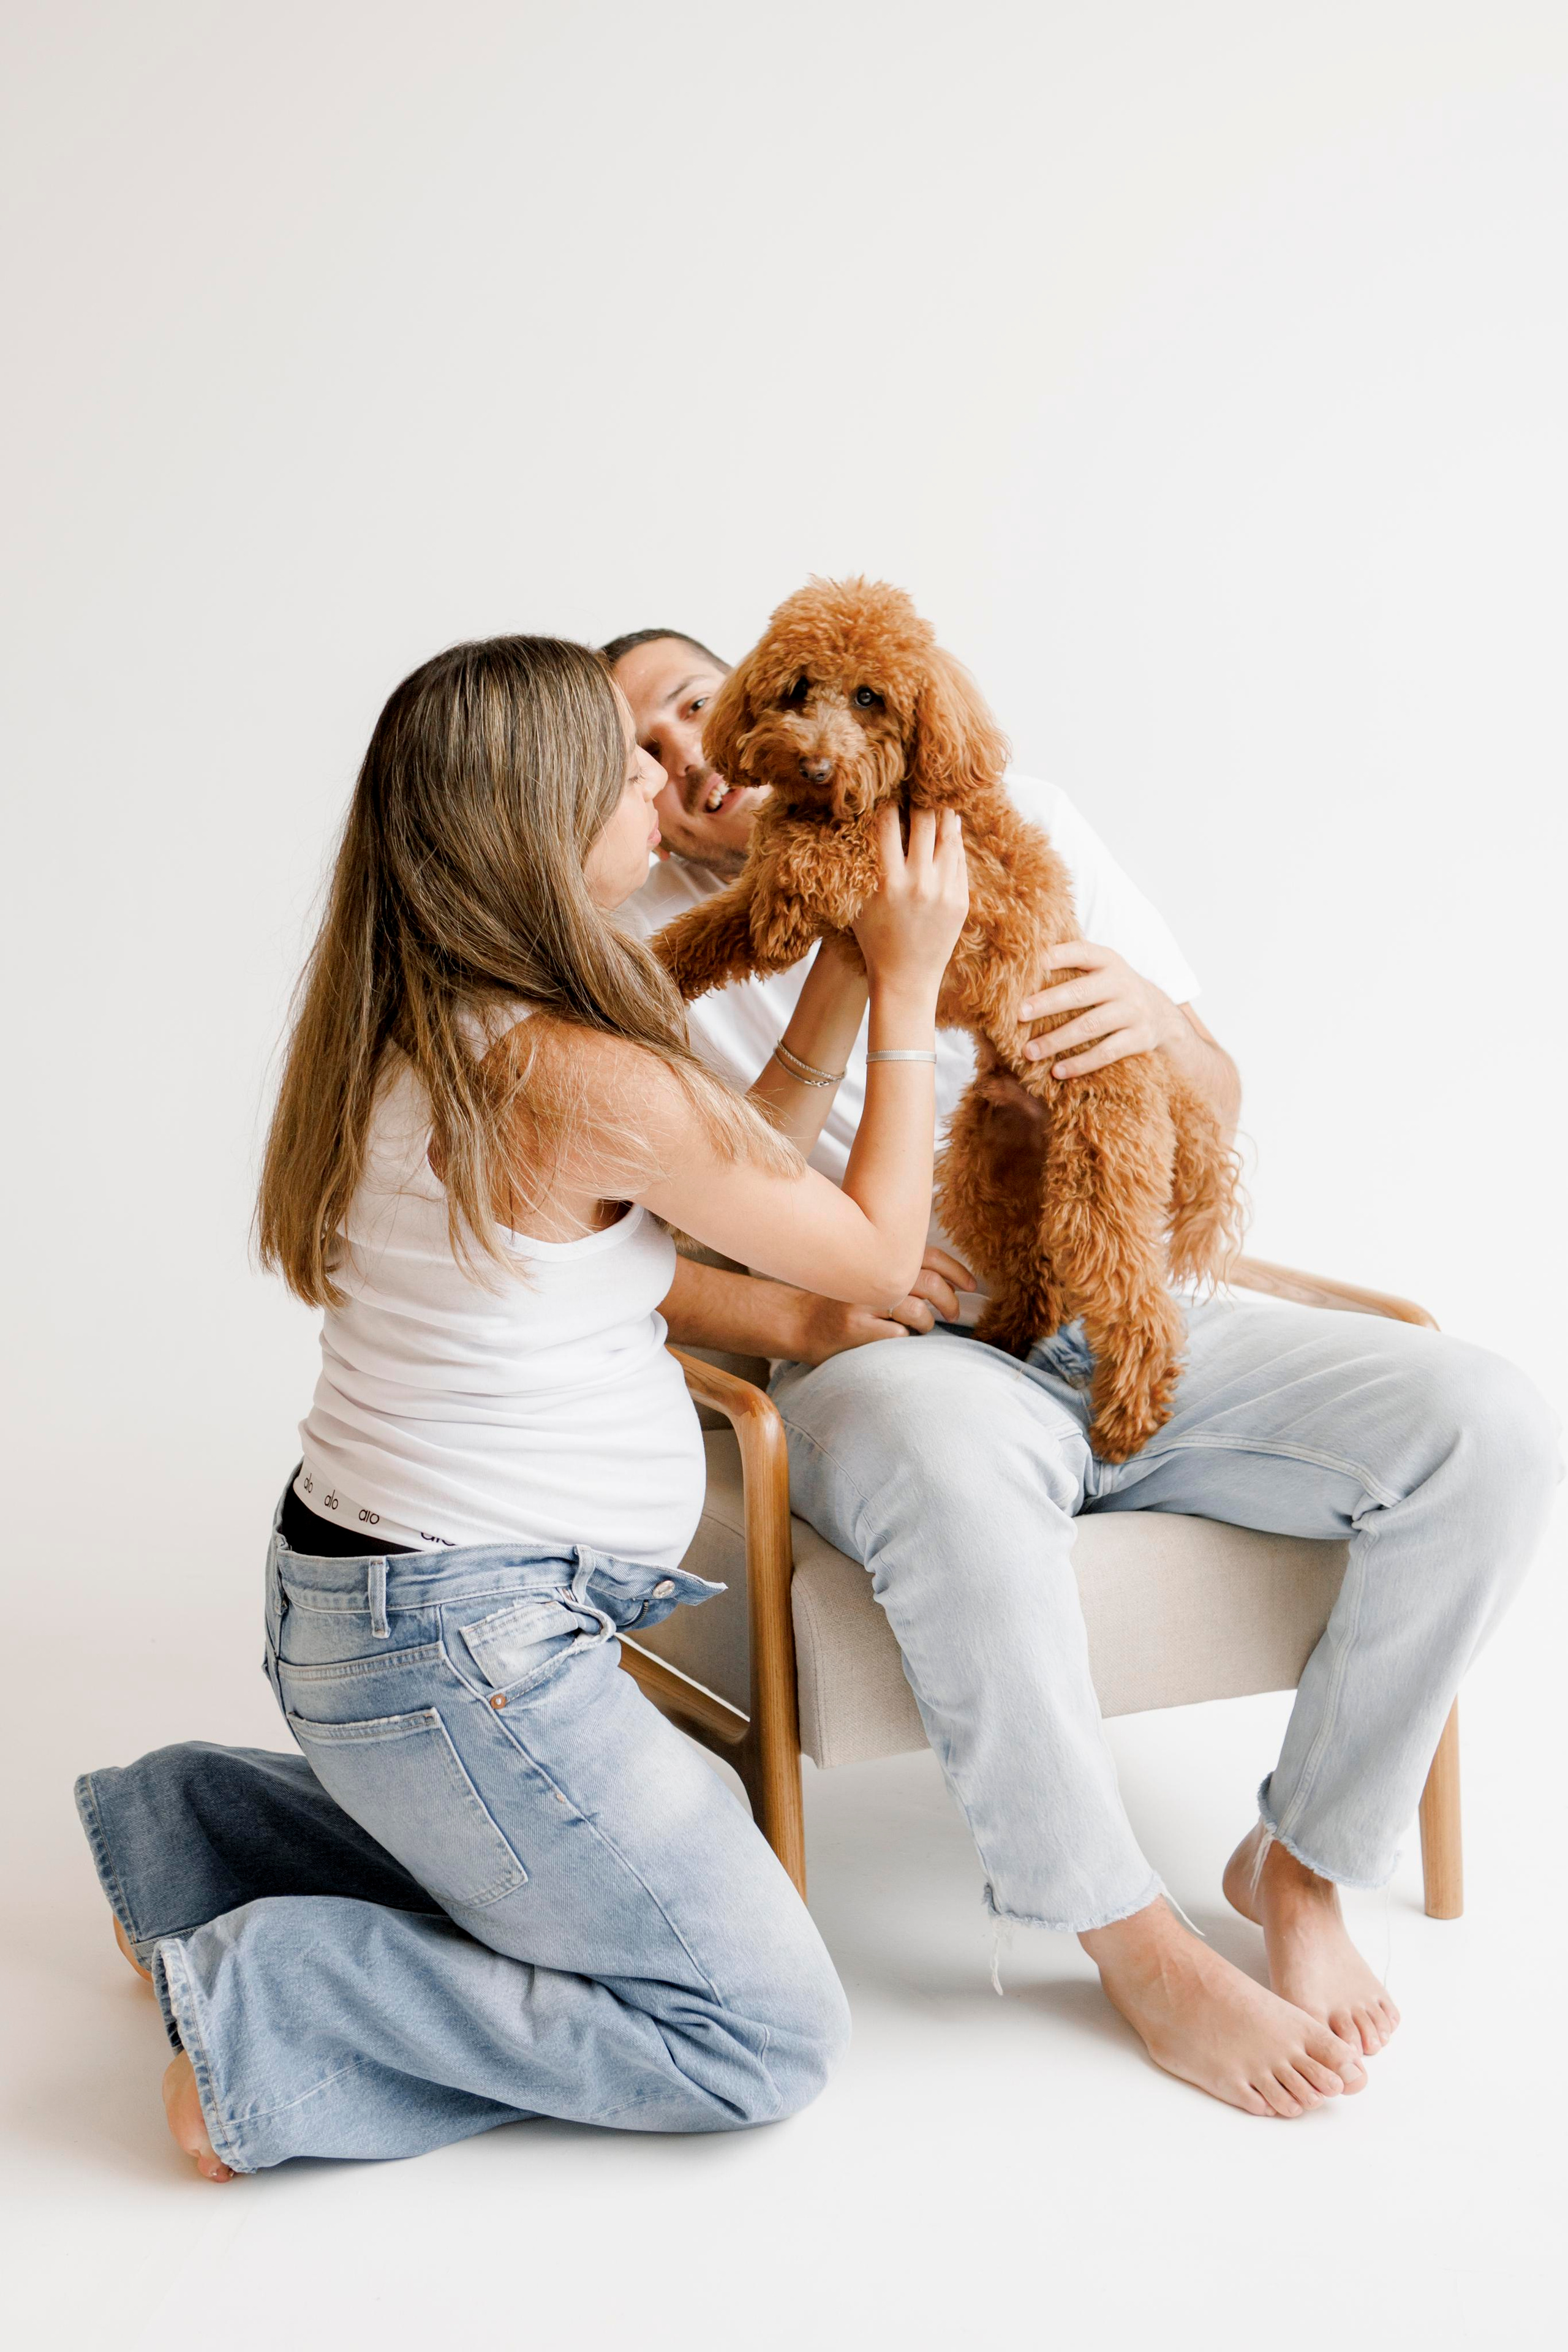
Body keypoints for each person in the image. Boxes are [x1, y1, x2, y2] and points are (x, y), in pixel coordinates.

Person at [601, 623, 1560, 2120]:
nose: (687, 767)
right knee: (939, 1461)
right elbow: (691, 1220)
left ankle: (1298, 1866)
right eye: (642, 765)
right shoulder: (632, 953)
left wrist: (1158, 1025)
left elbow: (1214, 1098)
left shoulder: (1026, 820)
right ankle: (1124, 1937)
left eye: (684, 715)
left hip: (1120, 1292)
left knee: (1484, 1420)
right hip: (893, 1347)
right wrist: (858, 978)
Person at [75, 633, 974, 2177]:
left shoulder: (423, 1026)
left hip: (367, 1619)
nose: (664, 776)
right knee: (762, 2031)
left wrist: (826, 977)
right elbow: (873, 1243)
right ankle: (271, 2023)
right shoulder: (574, 1073)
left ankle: (194, 1837)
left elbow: (709, 1178)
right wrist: (903, 982)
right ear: (537, 811)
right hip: (463, 1650)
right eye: (623, 756)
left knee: (617, 1868)